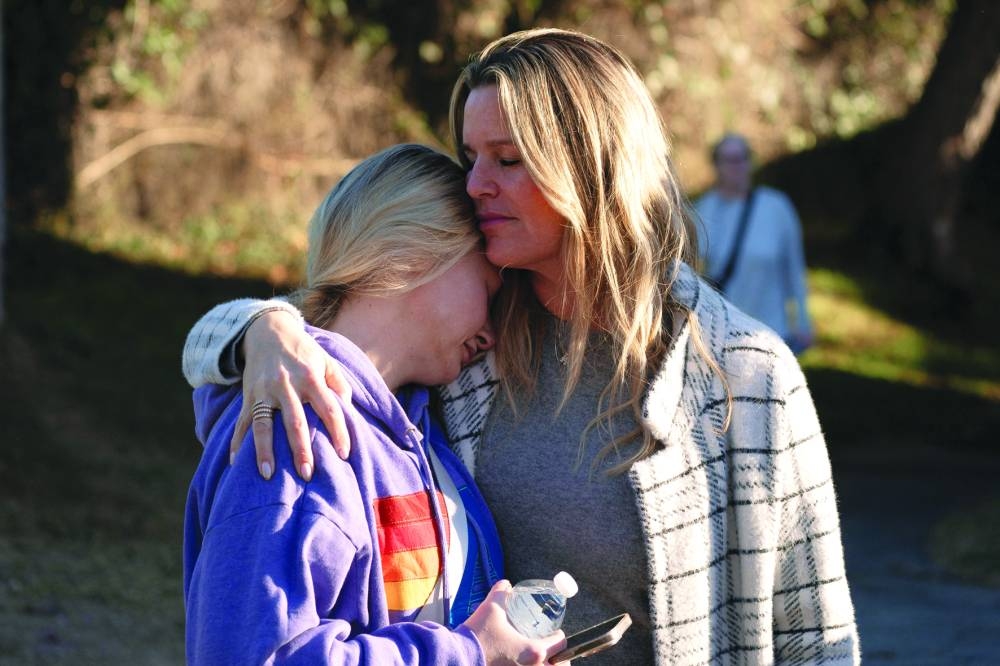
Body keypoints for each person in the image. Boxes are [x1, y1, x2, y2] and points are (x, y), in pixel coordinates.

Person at [183, 29, 860, 664]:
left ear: (593, 170)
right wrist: (264, 332)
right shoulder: (469, 342)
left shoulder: (746, 373)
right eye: (472, 157)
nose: (476, 184)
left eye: (507, 160)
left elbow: (817, 635)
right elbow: (349, 323)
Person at [183, 143, 568, 665]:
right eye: (487, 289)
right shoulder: (298, 428)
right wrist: (469, 653)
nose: (494, 332)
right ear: (415, 255)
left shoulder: (418, 431)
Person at [695, 133, 814, 354]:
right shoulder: (704, 209)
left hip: (771, 330)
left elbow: (794, 268)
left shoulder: (777, 207)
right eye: (729, 160)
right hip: (723, 332)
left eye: (742, 158)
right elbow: (693, 270)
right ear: (716, 165)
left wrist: (802, 322)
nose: (736, 166)